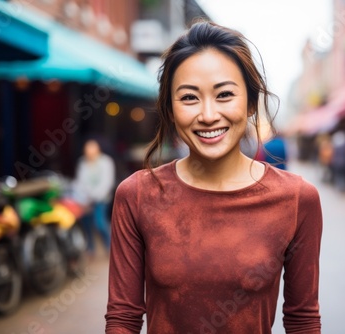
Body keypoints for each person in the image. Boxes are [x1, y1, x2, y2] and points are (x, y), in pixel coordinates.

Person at [106, 21, 323, 334]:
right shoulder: (137, 195)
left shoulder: (297, 200)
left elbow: (303, 321)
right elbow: (123, 318)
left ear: (250, 103)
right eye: (189, 98)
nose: (207, 115)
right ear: (169, 109)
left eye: (224, 95)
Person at [74, 139, 115, 256]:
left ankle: (110, 247)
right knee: (85, 223)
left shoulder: (106, 162)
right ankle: (90, 248)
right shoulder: (82, 162)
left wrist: (94, 197)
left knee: (100, 223)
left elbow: (107, 183)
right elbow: (80, 182)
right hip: (86, 199)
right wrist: (84, 198)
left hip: (101, 198)